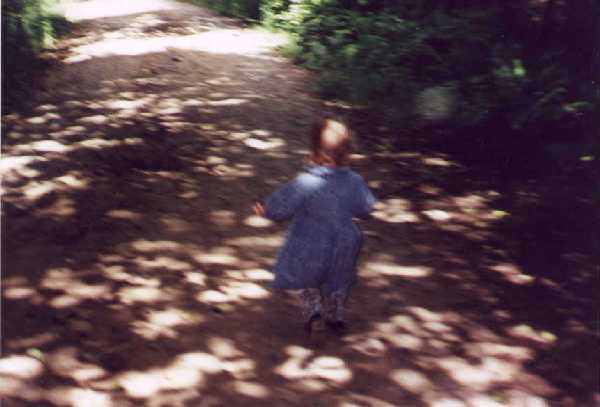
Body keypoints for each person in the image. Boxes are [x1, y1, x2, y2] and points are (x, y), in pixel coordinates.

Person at [253, 118, 376, 335]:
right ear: (347, 152)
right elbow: (365, 208)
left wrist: (267, 210)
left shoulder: (306, 181)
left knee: (308, 274)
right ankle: (336, 314)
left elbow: (284, 203)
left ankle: (314, 309)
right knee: (340, 276)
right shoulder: (354, 180)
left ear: (316, 151)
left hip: (310, 240)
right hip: (344, 241)